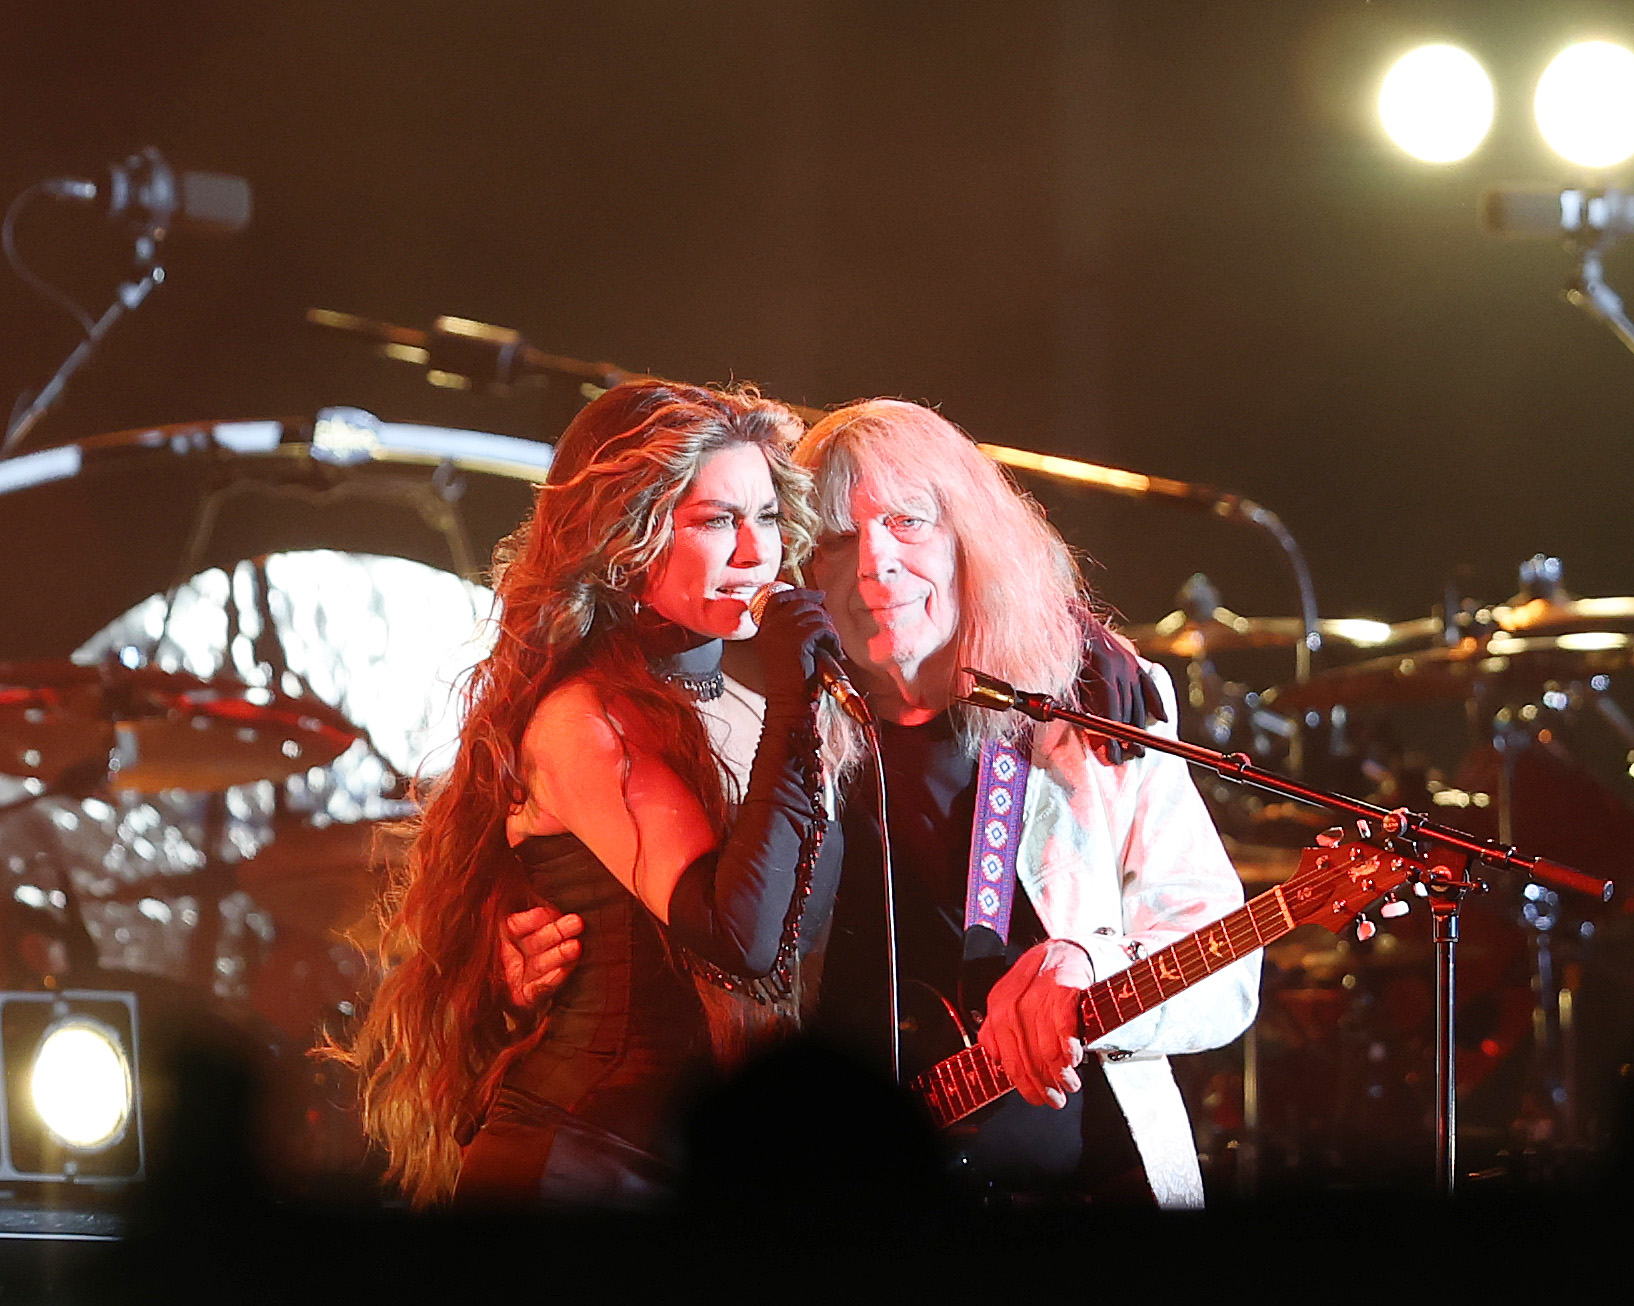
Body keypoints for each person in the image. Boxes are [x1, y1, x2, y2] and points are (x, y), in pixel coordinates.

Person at [509, 398, 1260, 1209]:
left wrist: (1090, 964)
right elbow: (578, 830)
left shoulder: (1087, 704)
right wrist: (511, 924)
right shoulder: (749, 724)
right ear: (794, 568)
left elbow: (1229, 971)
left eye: (909, 523)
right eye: (836, 539)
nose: (876, 566)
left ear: (974, 539)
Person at [334, 379, 851, 1210]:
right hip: (585, 1166)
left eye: (767, 518)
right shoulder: (586, 720)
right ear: (627, 535)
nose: (756, 554)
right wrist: (798, 705)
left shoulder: (756, 710)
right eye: (719, 521)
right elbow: (743, 937)